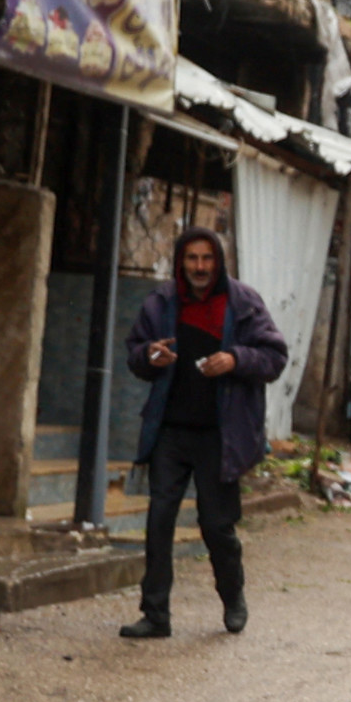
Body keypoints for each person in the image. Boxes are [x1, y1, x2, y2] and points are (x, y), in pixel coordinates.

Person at [120, 229, 288, 639]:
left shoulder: (243, 303)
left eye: (207, 258)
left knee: (216, 525)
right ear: (181, 262)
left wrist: (235, 359)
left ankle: (233, 598)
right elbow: (135, 353)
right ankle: (156, 614)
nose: (199, 267)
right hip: (169, 432)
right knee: (159, 521)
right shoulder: (162, 302)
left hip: (220, 436)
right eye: (192, 258)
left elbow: (274, 356)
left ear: (219, 261)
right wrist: (150, 355)